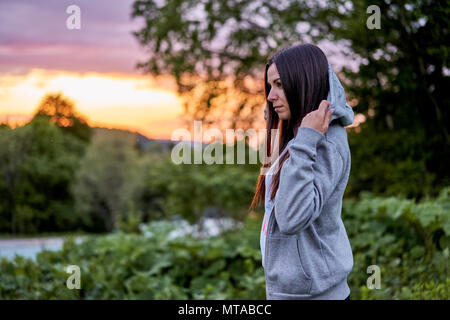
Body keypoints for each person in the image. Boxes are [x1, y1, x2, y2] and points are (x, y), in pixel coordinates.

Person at [249, 43, 354, 300]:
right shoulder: (296, 136)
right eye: (269, 86)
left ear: (303, 82)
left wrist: (307, 138)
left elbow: (292, 219)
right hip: (291, 291)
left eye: (280, 84)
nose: (270, 96)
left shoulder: (324, 142)